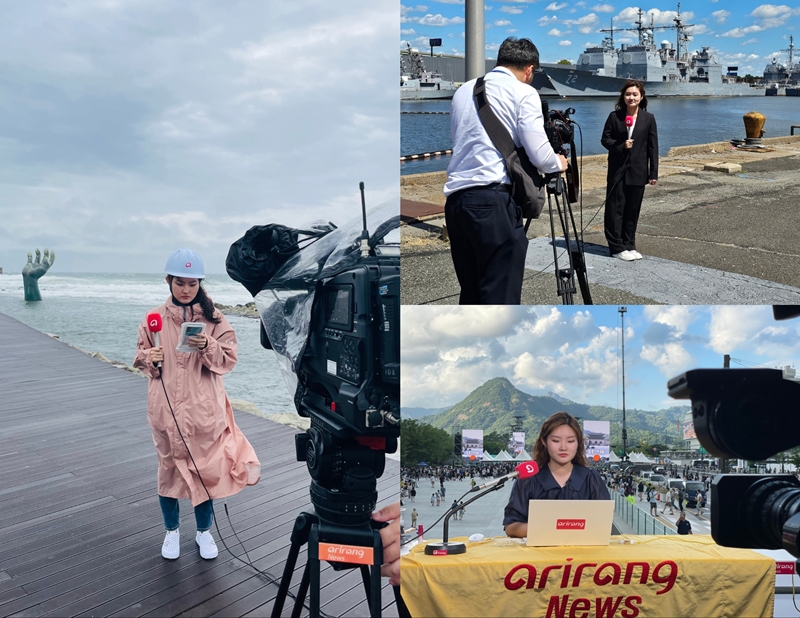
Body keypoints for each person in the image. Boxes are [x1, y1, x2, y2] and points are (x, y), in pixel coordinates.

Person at [134, 248, 261, 560]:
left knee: (203, 472)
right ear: (169, 281)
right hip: (164, 410)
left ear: (200, 284)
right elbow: (140, 357)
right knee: (168, 472)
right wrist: (150, 358)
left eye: (192, 284)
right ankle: (171, 532)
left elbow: (228, 360)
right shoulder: (153, 318)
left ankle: (204, 533)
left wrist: (209, 345)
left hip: (203, 412)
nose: (186, 289)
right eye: (180, 283)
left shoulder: (214, 319)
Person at [443, 36, 568, 305]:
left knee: (473, 293)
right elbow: (539, 153)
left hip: (456, 203)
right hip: (493, 203)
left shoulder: (464, 90)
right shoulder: (524, 92)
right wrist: (559, 162)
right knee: (500, 299)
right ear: (530, 69)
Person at [503, 412, 611, 537]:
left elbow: (603, 523)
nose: (563, 447)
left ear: (578, 443)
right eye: (555, 441)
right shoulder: (529, 480)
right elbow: (511, 527)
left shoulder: (591, 479)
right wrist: (557, 528)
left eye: (570, 441)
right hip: (539, 555)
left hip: (582, 554)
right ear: (544, 441)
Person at [601, 79, 658, 261]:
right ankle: (616, 247)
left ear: (641, 97)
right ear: (623, 96)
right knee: (615, 209)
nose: (631, 97)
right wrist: (621, 145)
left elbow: (653, 147)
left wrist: (653, 173)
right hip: (618, 170)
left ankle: (629, 244)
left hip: (638, 170)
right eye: (628, 94)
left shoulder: (648, 119)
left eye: (635, 94)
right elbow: (605, 140)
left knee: (632, 210)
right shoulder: (614, 117)